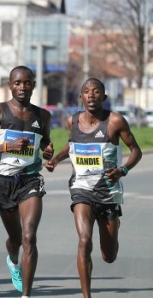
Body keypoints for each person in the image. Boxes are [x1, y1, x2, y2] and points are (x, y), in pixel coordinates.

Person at [45, 78, 142, 298]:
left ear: (104, 97)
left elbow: (136, 151)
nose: (91, 95)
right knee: (84, 240)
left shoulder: (115, 121)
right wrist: (56, 160)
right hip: (81, 189)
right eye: (86, 91)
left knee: (109, 256)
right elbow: (72, 144)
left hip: (108, 191)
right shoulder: (73, 121)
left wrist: (122, 170)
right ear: (80, 97)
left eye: (96, 91)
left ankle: (113, 221)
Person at [0, 66, 54, 298]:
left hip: (30, 180)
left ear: (33, 85)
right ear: (9, 85)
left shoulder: (43, 115)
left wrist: (47, 150)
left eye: (27, 83)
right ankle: (13, 260)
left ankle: (26, 294)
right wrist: (5, 147)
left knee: (29, 236)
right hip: (4, 182)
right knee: (16, 239)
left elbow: (45, 142)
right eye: (17, 83)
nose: (22, 87)